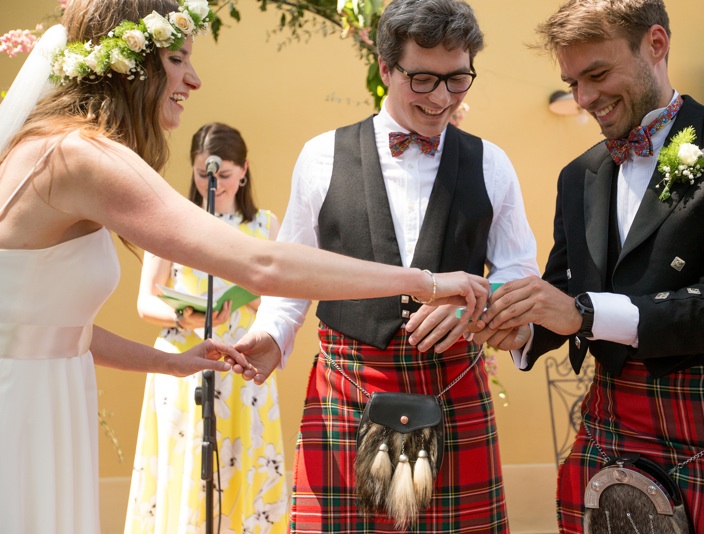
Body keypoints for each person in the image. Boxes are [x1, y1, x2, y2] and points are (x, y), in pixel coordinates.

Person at [0, 1, 491, 533]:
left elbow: (48, 330)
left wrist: (169, 362)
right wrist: (424, 281)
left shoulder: (42, 149)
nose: (194, 78)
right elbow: (262, 263)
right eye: (176, 58)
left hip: (41, 390)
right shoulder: (80, 155)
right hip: (25, 406)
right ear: (130, 65)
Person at [477, 0, 704, 532]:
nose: (583, 98)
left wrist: (581, 313)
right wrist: (515, 325)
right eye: (572, 81)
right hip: (612, 415)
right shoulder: (577, 175)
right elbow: (564, 289)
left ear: (656, 44)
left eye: (597, 74)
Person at [235, 0, 539, 531]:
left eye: (458, 79)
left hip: (452, 393)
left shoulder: (492, 163)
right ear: (384, 68)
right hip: (345, 393)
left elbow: (522, 279)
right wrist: (270, 334)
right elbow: (292, 273)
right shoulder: (320, 157)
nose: (442, 97)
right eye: (422, 79)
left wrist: (479, 308)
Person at [124, 122, 289, 533]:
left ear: (244, 170)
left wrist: (248, 296)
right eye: (203, 175)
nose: (212, 184)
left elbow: (286, 302)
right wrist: (186, 316)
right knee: (188, 472)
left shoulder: (265, 226)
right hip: (185, 366)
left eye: (224, 176)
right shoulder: (168, 222)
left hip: (244, 368)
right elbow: (145, 301)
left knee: (245, 467)